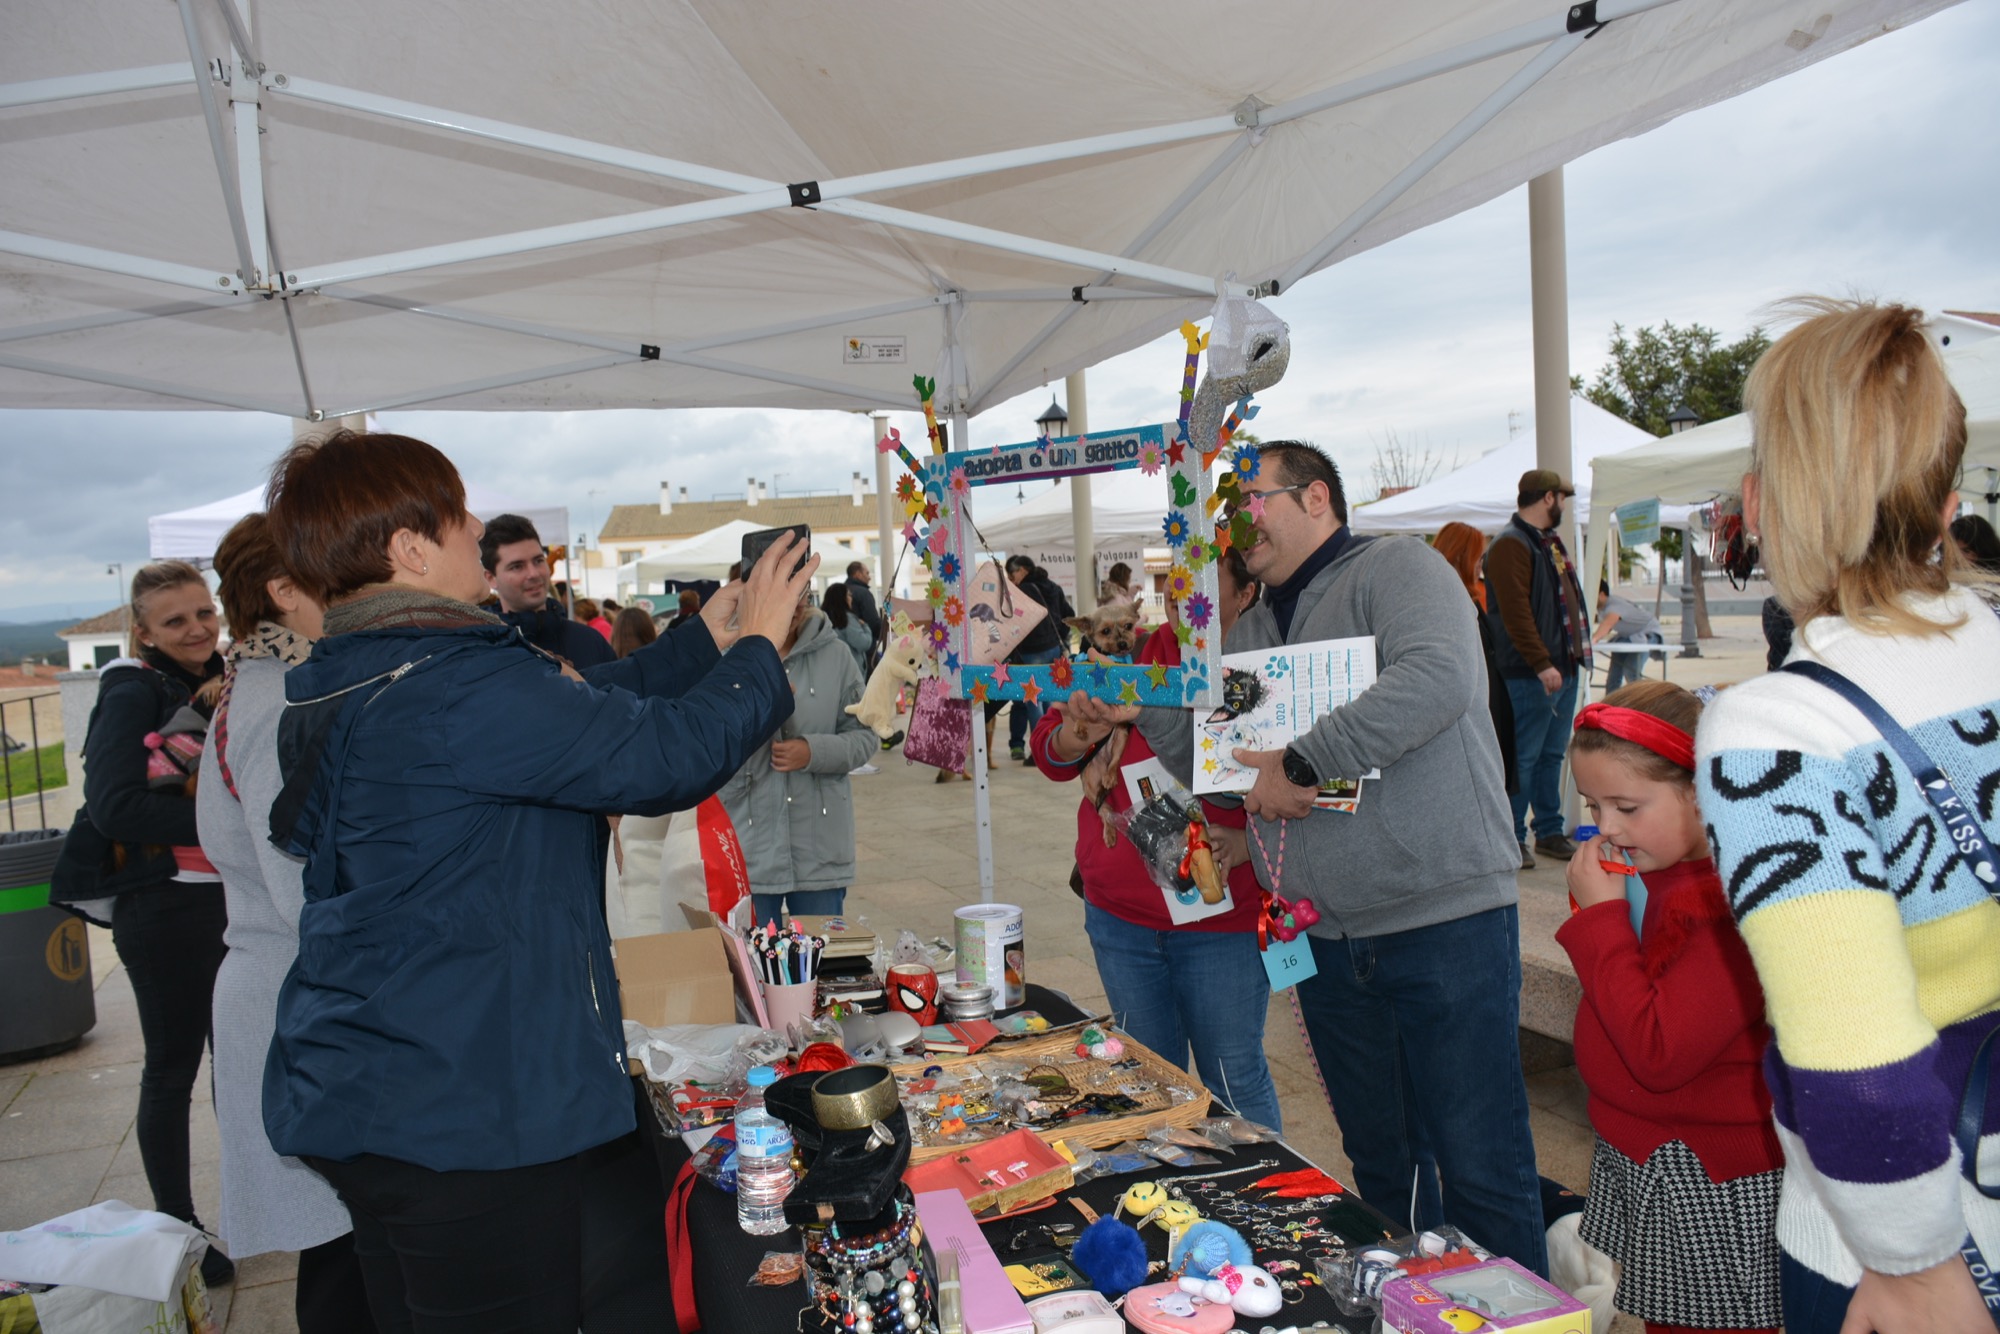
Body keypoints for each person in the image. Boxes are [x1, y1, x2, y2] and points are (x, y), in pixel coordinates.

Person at [261, 430, 813, 1331]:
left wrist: (707, 639)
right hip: (461, 1108)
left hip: (369, 1078)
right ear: (408, 549)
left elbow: (584, 714)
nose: (476, 528)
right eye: (456, 514)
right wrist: (759, 645)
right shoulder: (455, 685)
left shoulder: (361, 670)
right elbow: (663, 756)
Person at [1074, 441, 1545, 1274]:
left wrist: (1302, 762)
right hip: (1323, 938)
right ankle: (1414, 1309)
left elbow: (1437, 677)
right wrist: (1143, 710)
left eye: (1249, 499)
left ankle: (1521, 1317)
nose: (1235, 522)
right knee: (1383, 1164)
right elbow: (1224, 773)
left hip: (1443, 921)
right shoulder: (1251, 630)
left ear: (1316, 496)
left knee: (1481, 1162)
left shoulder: (1398, 568)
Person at [1696, 300, 2000, 1334]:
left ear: (1759, 502)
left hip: (1901, 1242)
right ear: (1946, 500)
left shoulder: (1777, 727)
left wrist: (1911, 1266)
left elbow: (1853, 1057)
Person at [1557, 682, 1783, 1334]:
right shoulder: (1657, 875)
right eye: (1593, 804)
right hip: (1654, 1154)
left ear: (1702, 793)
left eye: (1627, 806)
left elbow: (1659, 1053)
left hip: (1706, 1176)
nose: (1606, 827)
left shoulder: (1725, 910)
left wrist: (1601, 922)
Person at [1029, 547, 1281, 1130]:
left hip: (1222, 921)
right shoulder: (1126, 652)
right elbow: (1048, 750)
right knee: (1148, 1085)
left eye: (1203, 585)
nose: (1181, 596)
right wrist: (1078, 735)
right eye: (1174, 581)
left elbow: (1296, 784)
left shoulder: (1265, 670)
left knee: (1233, 1080)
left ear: (1245, 594)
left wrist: (1247, 843)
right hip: (1122, 918)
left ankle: (1265, 1182)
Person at [198, 515, 372, 1330]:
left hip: (288, 995)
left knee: (347, 1252)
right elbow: (300, 893)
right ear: (285, 590)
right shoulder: (279, 701)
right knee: (345, 1258)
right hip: (298, 1002)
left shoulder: (268, 681)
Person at [68, 561, 234, 1287]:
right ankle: (179, 1229)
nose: (196, 629)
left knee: (236, 1065)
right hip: (163, 907)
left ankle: (252, 1204)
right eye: (175, 621)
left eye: (204, 613)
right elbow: (114, 807)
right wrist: (226, 822)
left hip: (222, 904)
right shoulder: (131, 689)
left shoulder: (226, 675)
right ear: (143, 633)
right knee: (172, 1070)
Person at [718, 589, 878, 925]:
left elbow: (865, 737)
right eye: (783, 592)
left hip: (820, 848)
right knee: (751, 956)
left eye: (801, 594)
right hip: (748, 847)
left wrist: (813, 751)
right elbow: (705, 743)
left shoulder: (836, 654)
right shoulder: (724, 658)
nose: (794, 604)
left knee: (821, 952)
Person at [1487, 468, 1592, 870]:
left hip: (1558, 668)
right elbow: (1515, 615)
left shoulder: (1544, 542)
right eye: (1562, 498)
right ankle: (1513, 836)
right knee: (1523, 759)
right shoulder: (1511, 544)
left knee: (1550, 756)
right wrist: (1542, 663)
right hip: (1531, 673)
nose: (1563, 505)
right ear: (1549, 497)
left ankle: (1548, 831)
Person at [1433, 521, 1515, 795]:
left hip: (1488, 703)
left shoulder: (1467, 596)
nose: (1481, 565)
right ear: (1461, 557)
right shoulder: (1446, 601)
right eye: (1478, 558)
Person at [479, 512, 614, 669]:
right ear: (491, 578)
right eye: (517, 566)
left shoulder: (590, 642)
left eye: (538, 560)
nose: (534, 574)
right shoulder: (481, 652)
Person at [999, 553, 1068, 763]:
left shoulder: (1023, 590)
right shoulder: (1053, 587)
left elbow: (1013, 623)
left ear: (1022, 570)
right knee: (1049, 700)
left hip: (1032, 651)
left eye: (1012, 576)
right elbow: (1069, 613)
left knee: (1032, 701)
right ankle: (1054, 747)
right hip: (1053, 650)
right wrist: (1057, 637)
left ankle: (1039, 752)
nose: (1012, 581)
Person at [1593, 579, 1666, 693]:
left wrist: (1593, 640)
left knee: (1631, 671)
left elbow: (1608, 623)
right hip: (1628, 636)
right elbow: (1606, 627)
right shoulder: (1602, 608)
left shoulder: (1614, 605)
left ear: (1601, 594)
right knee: (1614, 673)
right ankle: (1610, 701)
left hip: (1648, 633)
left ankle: (1640, 700)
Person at [821, 581, 873, 679]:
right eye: (849, 595)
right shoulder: (847, 619)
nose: (851, 598)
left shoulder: (822, 620)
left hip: (831, 671)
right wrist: (865, 626)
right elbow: (864, 643)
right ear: (842, 598)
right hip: (851, 672)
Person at [841, 560, 885, 663]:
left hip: (843, 651)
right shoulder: (863, 593)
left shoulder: (838, 592)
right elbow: (873, 622)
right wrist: (886, 632)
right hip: (864, 651)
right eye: (867, 573)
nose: (869, 577)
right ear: (858, 574)